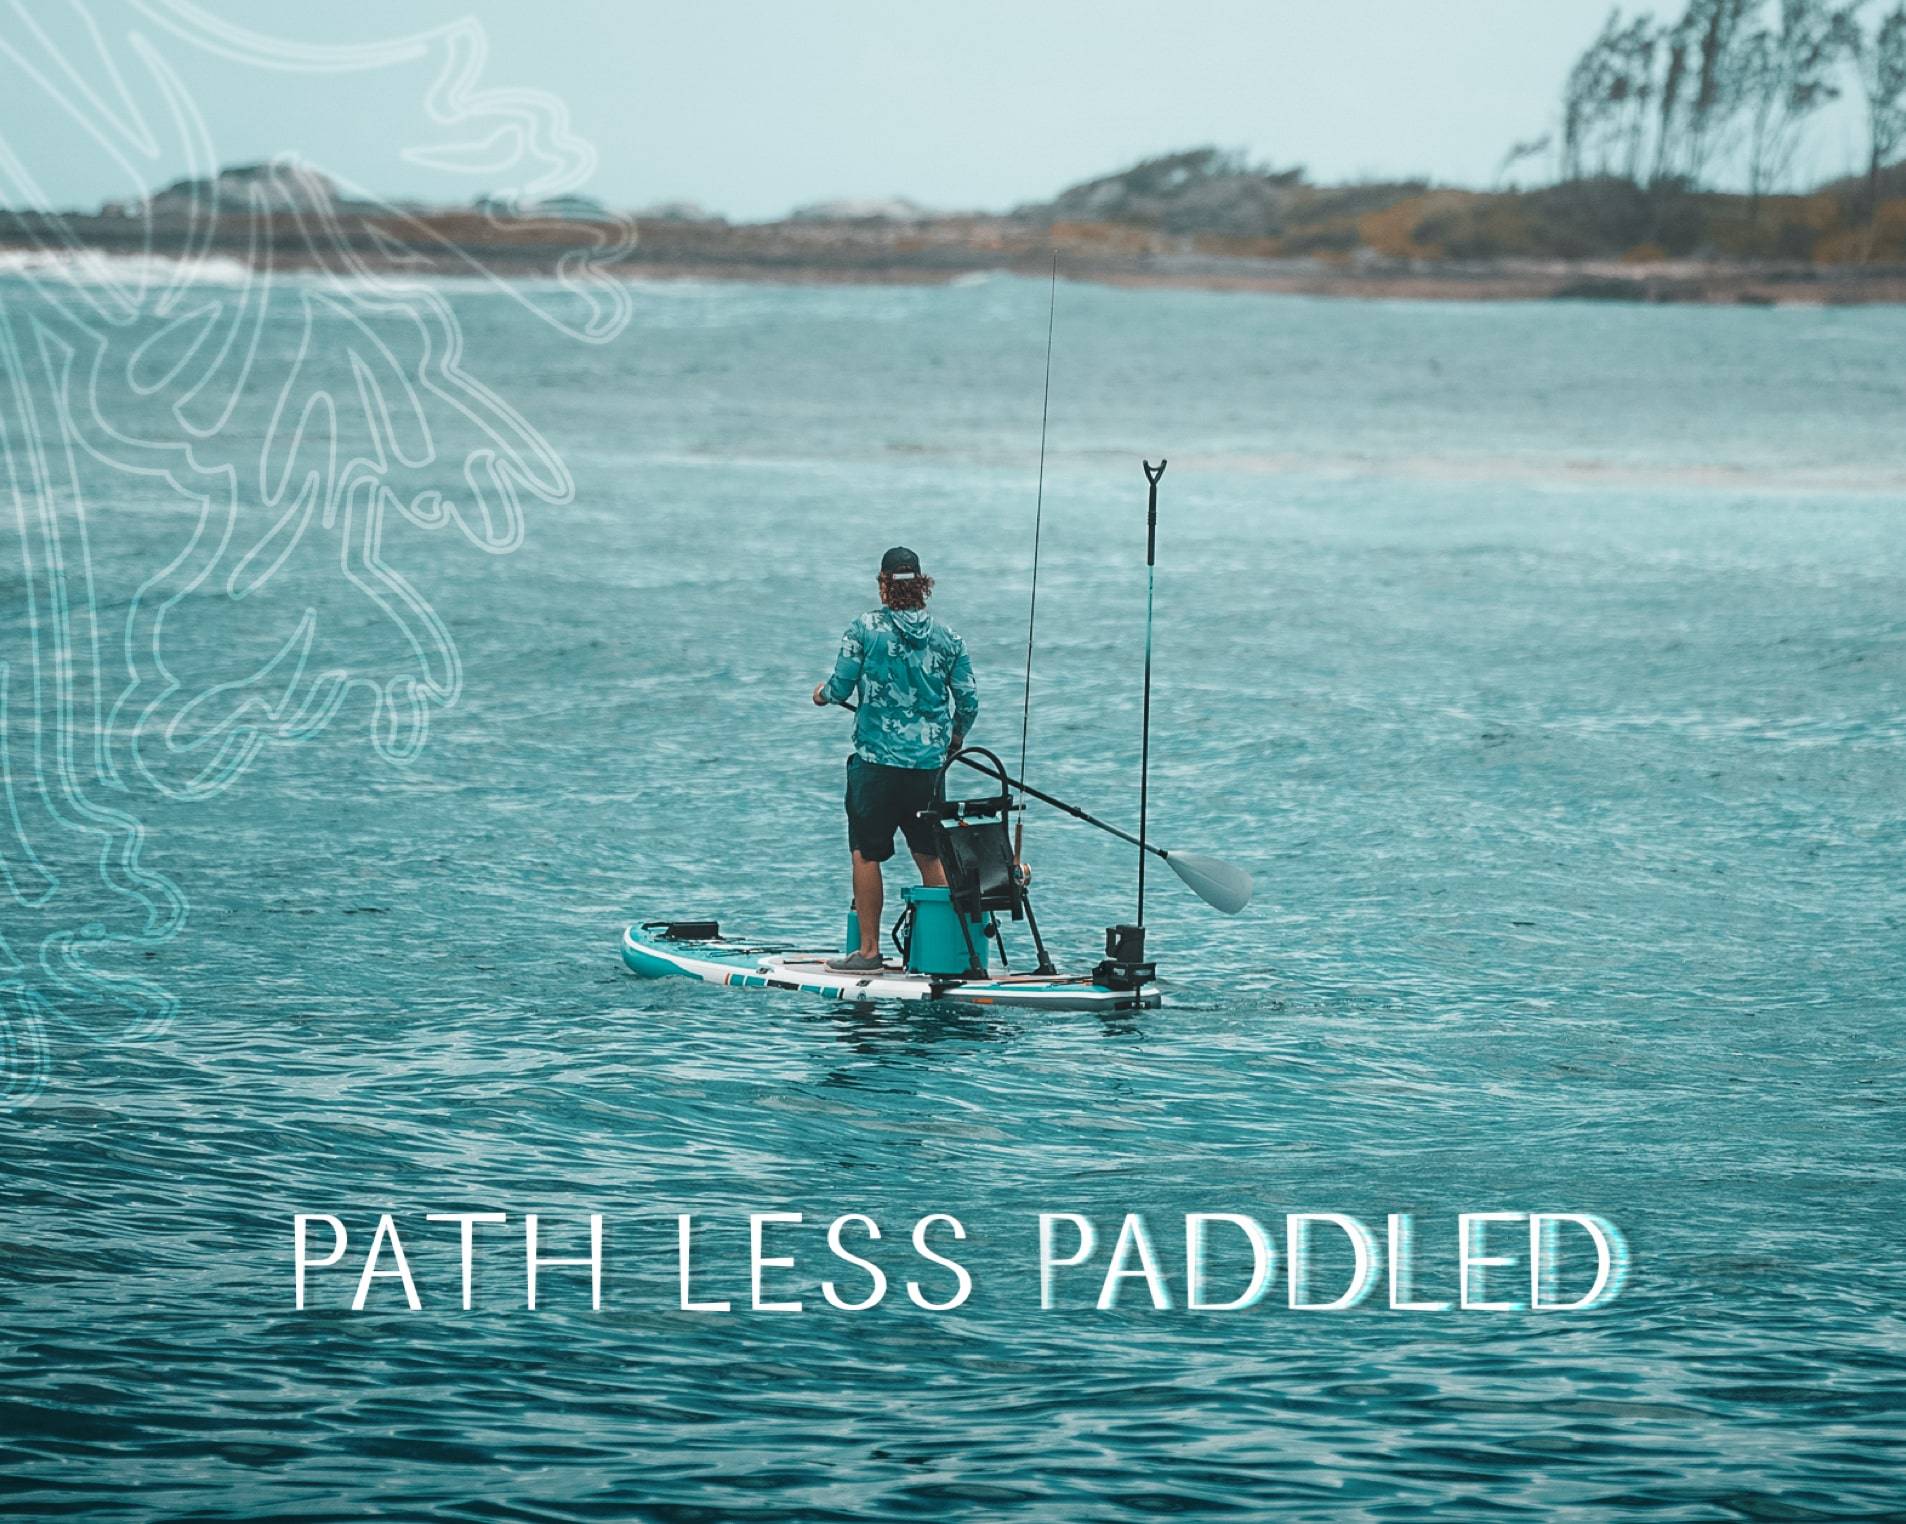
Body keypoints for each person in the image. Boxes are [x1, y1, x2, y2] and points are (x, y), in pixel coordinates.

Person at [812, 546, 977, 972]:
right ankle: (947, 953)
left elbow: (841, 687)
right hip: (928, 769)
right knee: (929, 855)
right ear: (922, 584)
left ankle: (868, 953)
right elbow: (969, 701)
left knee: (867, 854)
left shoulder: (864, 629)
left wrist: (822, 694)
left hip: (876, 766)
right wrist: (954, 740)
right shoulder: (949, 639)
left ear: (884, 585)